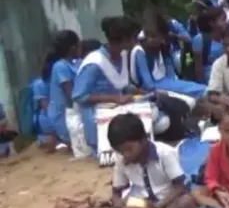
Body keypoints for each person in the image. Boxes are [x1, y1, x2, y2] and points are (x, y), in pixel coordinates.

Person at [88, 113, 195, 208]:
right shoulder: (122, 160)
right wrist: (118, 205)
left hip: (165, 204)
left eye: (129, 149)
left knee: (186, 202)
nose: (125, 154)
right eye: (120, 151)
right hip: (139, 206)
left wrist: (158, 207)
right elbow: (116, 192)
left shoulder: (165, 153)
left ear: (143, 140)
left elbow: (180, 187)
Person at [72, 17, 141, 152]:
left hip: (118, 108)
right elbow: (79, 95)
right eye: (133, 38)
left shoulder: (122, 56)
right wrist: (115, 99)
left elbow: (122, 85)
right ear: (124, 40)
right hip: (96, 114)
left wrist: (140, 91)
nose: (135, 42)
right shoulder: (94, 62)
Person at [132, 9, 207, 99]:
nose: (150, 39)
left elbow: (170, 74)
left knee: (196, 87)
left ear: (162, 37)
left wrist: (177, 84)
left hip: (167, 81)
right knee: (197, 90)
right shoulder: (139, 51)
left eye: (154, 36)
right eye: (148, 36)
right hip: (153, 86)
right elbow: (148, 84)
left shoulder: (164, 47)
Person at [44, 30, 81, 148]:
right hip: (63, 115)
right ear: (73, 48)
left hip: (70, 112)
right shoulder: (60, 66)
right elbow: (70, 94)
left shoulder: (72, 64)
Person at [191, 7, 227, 84]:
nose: (226, 22)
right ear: (212, 23)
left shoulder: (226, 37)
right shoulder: (200, 39)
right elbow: (198, 68)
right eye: (223, 19)